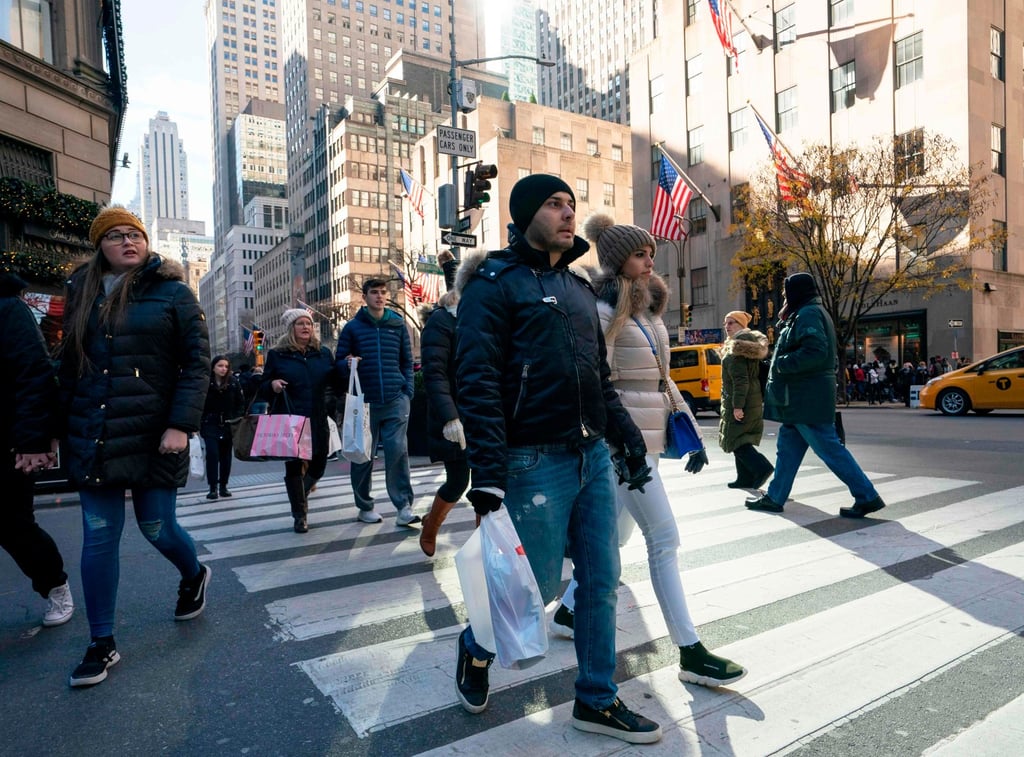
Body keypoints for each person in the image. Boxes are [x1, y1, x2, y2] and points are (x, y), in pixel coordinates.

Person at [454, 175, 662, 745]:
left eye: (572, 204)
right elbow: (477, 382)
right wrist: (488, 476)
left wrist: (627, 442)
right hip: (530, 460)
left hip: (591, 453)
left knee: (600, 581)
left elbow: (599, 378)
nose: (568, 213)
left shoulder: (576, 289)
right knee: (537, 588)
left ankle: (596, 697)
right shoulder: (494, 286)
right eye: (554, 204)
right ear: (524, 216)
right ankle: (475, 646)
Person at [548, 214, 746, 689]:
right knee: (664, 538)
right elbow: (599, 383)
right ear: (619, 261)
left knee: (615, 541)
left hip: (649, 440)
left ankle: (567, 611)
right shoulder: (602, 312)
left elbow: (661, 379)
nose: (650, 259)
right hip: (623, 446)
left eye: (651, 252)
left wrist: (690, 429)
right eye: (641, 253)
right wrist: (621, 445)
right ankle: (690, 650)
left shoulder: (647, 311)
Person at [57, 207, 211, 687]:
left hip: (154, 433)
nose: (128, 242)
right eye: (116, 236)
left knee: (157, 527)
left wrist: (181, 425)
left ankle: (193, 574)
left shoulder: (173, 293)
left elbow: (197, 364)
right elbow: (66, 368)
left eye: (135, 235)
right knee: (99, 535)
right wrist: (46, 431)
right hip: (92, 433)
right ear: (100, 246)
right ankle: (101, 643)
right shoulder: (80, 292)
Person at [746, 273, 886, 519]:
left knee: (829, 449)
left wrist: (779, 364)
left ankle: (867, 496)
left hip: (805, 397)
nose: (782, 296)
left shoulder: (809, 313)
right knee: (787, 448)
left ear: (796, 291)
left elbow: (815, 352)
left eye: (785, 292)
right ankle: (776, 497)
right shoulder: (804, 312)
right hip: (800, 398)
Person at [0, 270, 74, 628]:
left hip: (8, 440)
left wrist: (32, 441)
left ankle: (54, 584)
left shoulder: (7, 308)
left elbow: (33, 372)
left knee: (13, 525)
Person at [335, 279, 419, 527]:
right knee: (363, 456)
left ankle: (403, 507)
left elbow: (407, 361)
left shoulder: (398, 324)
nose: (380, 297)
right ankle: (364, 506)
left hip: (396, 398)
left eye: (383, 293)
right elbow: (339, 362)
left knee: (398, 452)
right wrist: (348, 363)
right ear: (365, 296)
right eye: (374, 293)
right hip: (365, 402)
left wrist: (408, 391)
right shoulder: (352, 328)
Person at [260, 309, 337, 533]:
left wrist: (348, 367)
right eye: (299, 323)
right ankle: (300, 515)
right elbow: (263, 384)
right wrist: (272, 385)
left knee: (320, 463)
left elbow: (335, 381)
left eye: (308, 323)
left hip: (318, 415)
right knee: (294, 467)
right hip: (291, 418)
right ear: (290, 328)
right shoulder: (278, 354)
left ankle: (299, 495)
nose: (305, 327)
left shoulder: (323, 352)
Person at [418, 251, 470, 556]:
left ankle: (485, 541)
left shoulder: (481, 317)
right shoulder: (440, 321)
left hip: (484, 411)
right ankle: (431, 526)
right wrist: (450, 418)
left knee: (489, 483)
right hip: (454, 413)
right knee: (458, 481)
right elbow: (434, 374)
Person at [719, 310, 774, 490]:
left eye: (732, 323)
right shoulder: (743, 345)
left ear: (742, 325)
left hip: (744, 401)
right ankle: (743, 477)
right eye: (726, 323)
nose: (727, 326)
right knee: (741, 438)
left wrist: (737, 406)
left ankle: (762, 468)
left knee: (736, 440)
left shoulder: (739, 347)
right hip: (752, 399)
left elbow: (740, 380)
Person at [200, 355, 244, 500]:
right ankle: (213, 487)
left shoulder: (233, 382)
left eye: (226, 366)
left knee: (225, 457)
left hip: (228, 424)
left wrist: (237, 418)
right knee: (212, 455)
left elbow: (240, 403)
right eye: (220, 366)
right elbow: (199, 404)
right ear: (213, 367)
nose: (223, 369)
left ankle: (223, 485)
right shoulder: (206, 383)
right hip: (210, 424)